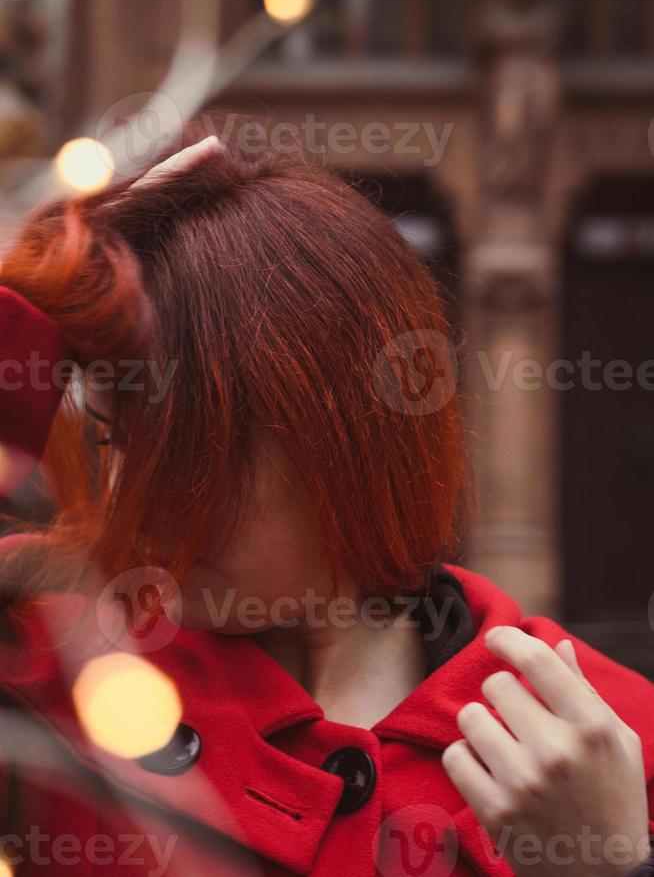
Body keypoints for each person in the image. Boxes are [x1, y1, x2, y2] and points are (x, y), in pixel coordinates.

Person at [0, 129, 651, 877]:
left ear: (347, 436)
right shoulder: (57, 662)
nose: (132, 504)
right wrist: (32, 304)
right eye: (112, 444)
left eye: (190, 452)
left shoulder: (599, 746)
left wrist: (617, 868)